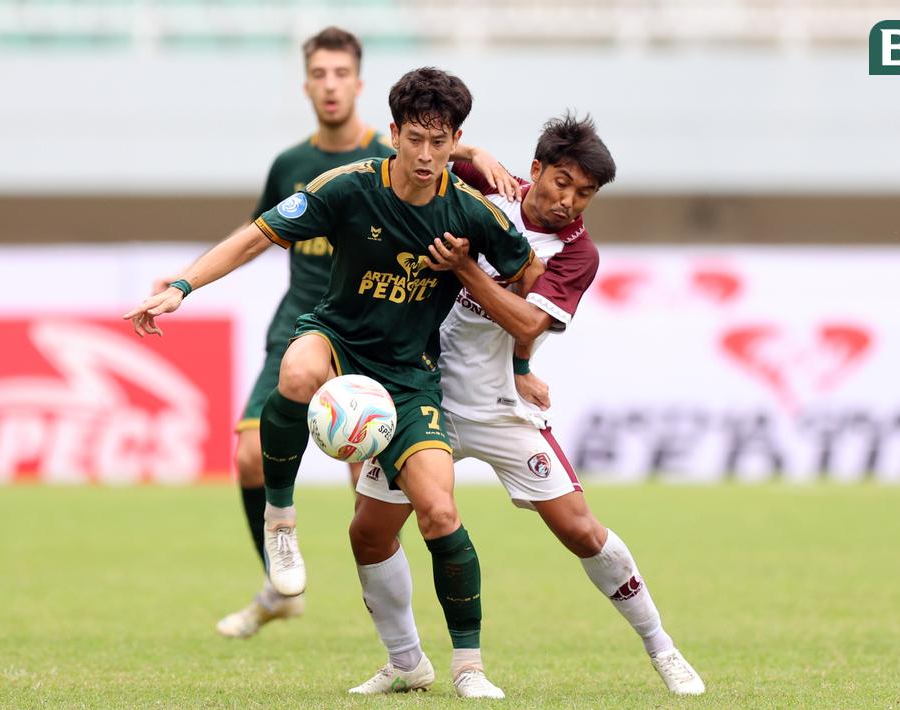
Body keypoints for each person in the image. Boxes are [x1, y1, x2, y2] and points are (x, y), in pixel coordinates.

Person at [126, 67, 539, 698]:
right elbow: (256, 237)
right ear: (393, 134)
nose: (426, 156)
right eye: (415, 140)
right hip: (338, 342)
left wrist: (512, 355)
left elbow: (529, 277)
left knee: (439, 510)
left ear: (456, 139)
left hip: (409, 379)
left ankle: (467, 667)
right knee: (296, 370)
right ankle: (282, 522)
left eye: (441, 141)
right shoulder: (347, 187)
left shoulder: (472, 213)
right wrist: (182, 285)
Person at [348, 114, 706, 696]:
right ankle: (406, 662)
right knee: (368, 533)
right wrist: (474, 148)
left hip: (496, 407)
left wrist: (466, 269)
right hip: (421, 397)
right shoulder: (486, 185)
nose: (569, 201)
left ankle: (662, 648)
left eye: (585, 193)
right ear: (535, 169)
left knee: (582, 531)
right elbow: (424, 150)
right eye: (561, 182)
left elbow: (529, 320)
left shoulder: (576, 254)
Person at [207, 26, 394, 640]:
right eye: (321, 74)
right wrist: (186, 282)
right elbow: (256, 235)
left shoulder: (392, 160)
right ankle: (277, 585)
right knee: (247, 458)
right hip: (295, 329)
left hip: (363, 339)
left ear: (359, 83)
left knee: (366, 493)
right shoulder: (290, 166)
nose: (331, 84)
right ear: (307, 82)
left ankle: (393, 634)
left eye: (342, 74)